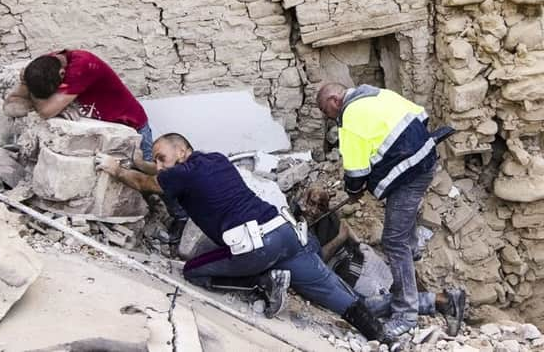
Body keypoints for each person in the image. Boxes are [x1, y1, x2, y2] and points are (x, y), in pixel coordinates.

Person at [94, 133, 387, 341]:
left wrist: (115, 168)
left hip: (257, 246)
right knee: (332, 293)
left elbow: (146, 182)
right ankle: (382, 337)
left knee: (194, 271)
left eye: (162, 158)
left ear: (182, 151)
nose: (158, 165)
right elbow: (159, 174)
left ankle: (263, 282)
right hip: (285, 232)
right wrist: (141, 162)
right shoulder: (216, 159)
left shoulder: (179, 174)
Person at [316, 82, 454, 339]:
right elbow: (420, 115)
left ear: (335, 100)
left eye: (328, 112)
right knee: (402, 223)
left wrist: (354, 190)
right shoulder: (376, 94)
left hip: (409, 174)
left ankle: (406, 313)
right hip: (424, 158)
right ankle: (411, 253)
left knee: (393, 241)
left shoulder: (350, 118)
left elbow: (356, 172)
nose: (330, 118)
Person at [3, 49, 188, 241]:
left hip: (131, 127)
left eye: (55, 93)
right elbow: (10, 106)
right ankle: (145, 215)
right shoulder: (42, 68)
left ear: (62, 75)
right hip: (101, 132)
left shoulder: (82, 65)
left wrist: (45, 102)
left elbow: (45, 111)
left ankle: (181, 217)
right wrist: (42, 95)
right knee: (129, 183)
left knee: (159, 178)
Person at [298, 186, 466, 337]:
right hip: (356, 265)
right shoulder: (313, 223)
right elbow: (338, 236)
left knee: (364, 307)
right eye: (310, 203)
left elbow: (321, 256)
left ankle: (441, 300)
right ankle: (439, 301)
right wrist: (350, 241)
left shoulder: (322, 221)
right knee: (380, 299)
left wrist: (347, 240)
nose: (313, 209)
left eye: (318, 205)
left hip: (358, 270)